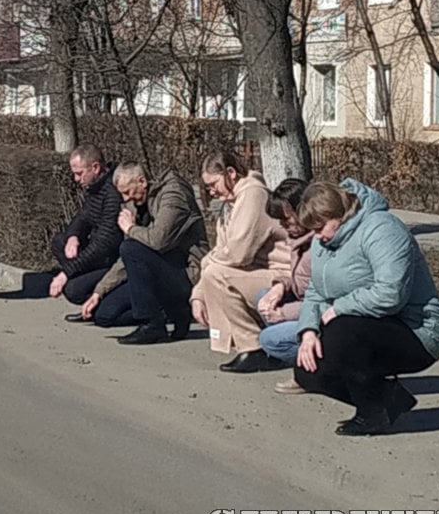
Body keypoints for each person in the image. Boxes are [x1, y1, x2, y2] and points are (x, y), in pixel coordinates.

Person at [287, 179, 439, 435]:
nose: (317, 237)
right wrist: (308, 331)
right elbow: (315, 292)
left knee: (341, 333)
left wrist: (339, 308)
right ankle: (388, 399)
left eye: (320, 228)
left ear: (337, 215)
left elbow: (391, 293)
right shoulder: (323, 242)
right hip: (361, 324)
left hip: (416, 330)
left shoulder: (382, 228)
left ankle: (371, 414)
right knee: (308, 371)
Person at [78, 162, 205, 344]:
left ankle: (152, 323)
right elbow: (127, 258)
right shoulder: (135, 204)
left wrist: (131, 229)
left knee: (131, 247)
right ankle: (171, 311)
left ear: (142, 181)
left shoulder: (174, 195)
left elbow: (158, 240)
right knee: (103, 315)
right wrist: (99, 291)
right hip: (159, 271)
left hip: (187, 272)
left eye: (127, 192)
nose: (126, 198)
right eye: (122, 194)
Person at [191, 150, 290, 373]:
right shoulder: (230, 203)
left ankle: (252, 346)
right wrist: (198, 295)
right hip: (256, 271)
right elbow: (221, 252)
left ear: (231, 173)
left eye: (213, 184)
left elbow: (238, 254)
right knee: (215, 273)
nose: (211, 191)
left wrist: (207, 262)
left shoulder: (254, 194)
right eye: (207, 187)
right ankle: (250, 344)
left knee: (217, 275)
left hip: (282, 273)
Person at [255, 179, 318, 381]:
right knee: (264, 296)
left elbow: (322, 298)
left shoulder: (319, 244)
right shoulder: (300, 241)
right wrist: (280, 287)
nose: (282, 226)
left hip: (318, 313)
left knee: (269, 339)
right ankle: (293, 353)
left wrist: (283, 313)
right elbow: (301, 280)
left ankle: (309, 367)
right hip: (304, 303)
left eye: (287, 220)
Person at [51, 144, 125, 314]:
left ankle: (97, 301)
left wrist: (66, 273)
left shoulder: (113, 193)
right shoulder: (94, 188)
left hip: (110, 258)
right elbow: (82, 217)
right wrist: (73, 236)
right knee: (60, 241)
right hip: (98, 251)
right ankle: (85, 286)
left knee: (73, 290)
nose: (76, 179)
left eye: (79, 173)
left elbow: (103, 245)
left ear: (95, 168)